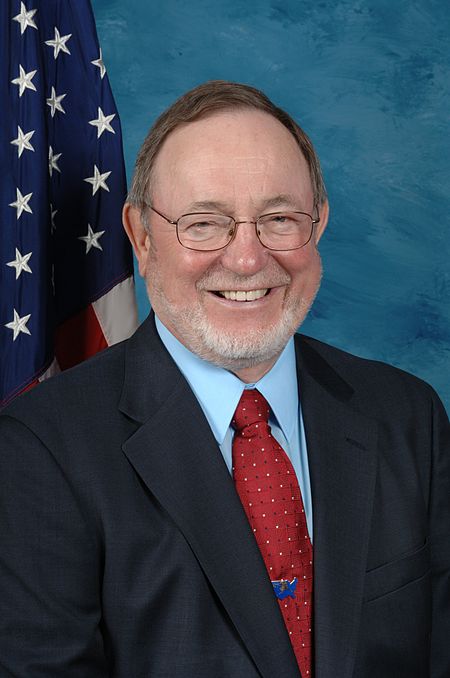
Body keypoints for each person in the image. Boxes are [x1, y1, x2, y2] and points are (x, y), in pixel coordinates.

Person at [0, 81, 448, 678]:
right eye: (204, 223)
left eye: (280, 218)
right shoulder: (40, 449)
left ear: (318, 227)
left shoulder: (407, 415)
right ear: (140, 236)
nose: (246, 258)